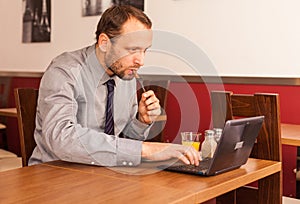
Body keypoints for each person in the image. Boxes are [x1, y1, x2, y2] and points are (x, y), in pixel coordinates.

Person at [29, 5, 201, 167]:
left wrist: (141, 122)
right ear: (104, 43)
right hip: (56, 174)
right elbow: (62, 138)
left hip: (102, 173)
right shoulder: (64, 70)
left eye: (145, 50)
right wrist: (147, 150)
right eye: (133, 50)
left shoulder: (125, 74)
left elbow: (122, 143)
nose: (141, 61)